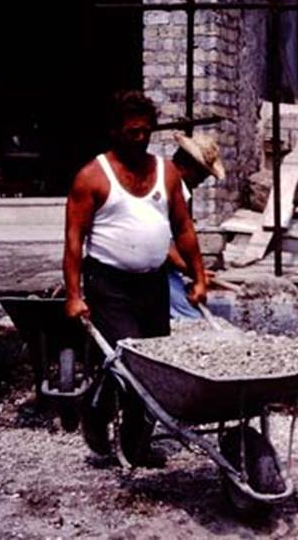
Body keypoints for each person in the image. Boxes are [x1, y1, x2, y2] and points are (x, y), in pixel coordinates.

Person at [63, 90, 208, 466]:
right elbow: (74, 241)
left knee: (154, 363)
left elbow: (184, 228)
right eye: (132, 132)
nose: (140, 138)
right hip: (109, 286)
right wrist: (74, 294)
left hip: (153, 283)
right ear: (115, 131)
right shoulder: (91, 177)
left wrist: (199, 277)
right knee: (133, 360)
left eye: (145, 131)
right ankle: (119, 429)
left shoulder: (167, 173)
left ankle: (120, 428)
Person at [167, 131, 225, 320]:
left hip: (162, 268)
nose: (203, 181)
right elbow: (163, 247)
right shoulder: (171, 188)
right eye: (201, 173)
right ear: (186, 165)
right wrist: (195, 274)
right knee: (191, 319)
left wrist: (196, 272)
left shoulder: (174, 187)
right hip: (150, 270)